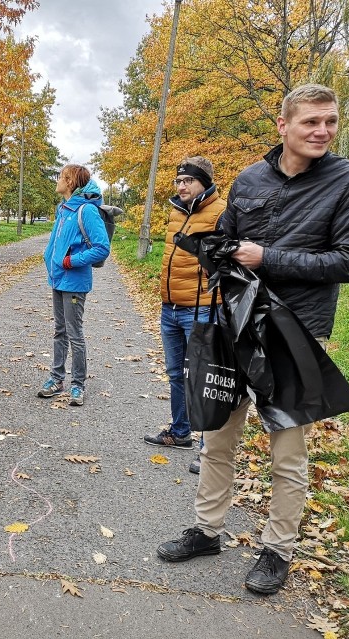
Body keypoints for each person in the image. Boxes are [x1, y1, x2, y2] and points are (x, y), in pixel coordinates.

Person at [157, 84, 349, 595]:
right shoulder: (251, 178)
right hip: (235, 322)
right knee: (218, 435)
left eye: (331, 122)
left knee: (287, 450)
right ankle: (207, 531)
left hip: (296, 331)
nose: (322, 131)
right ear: (284, 126)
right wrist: (212, 249)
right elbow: (230, 236)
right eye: (311, 122)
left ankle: (278, 550)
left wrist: (266, 257)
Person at [143, 157, 225, 476]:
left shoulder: (221, 212)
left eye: (188, 181)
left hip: (202, 307)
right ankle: (180, 433)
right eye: (178, 181)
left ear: (204, 181)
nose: (181, 186)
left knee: (204, 377)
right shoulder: (177, 211)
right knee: (176, 373)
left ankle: (209, 449)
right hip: (170, 306)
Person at [37, 164, 110, 407]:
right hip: (58, 279)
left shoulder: (87, 211)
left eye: (61, 177)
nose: (57, 180)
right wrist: (50, 258)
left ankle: (78, 384)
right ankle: (56, 379)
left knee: (74, 333)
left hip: (74, 281)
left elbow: (102, 248)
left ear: (70, 182)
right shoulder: (64, 209)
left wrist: (71, 261)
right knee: (60, 330)